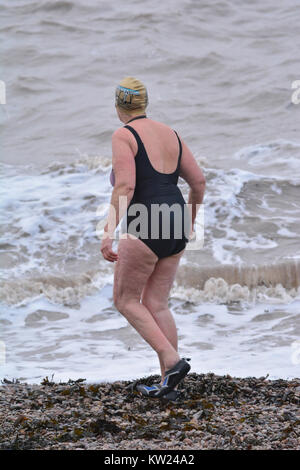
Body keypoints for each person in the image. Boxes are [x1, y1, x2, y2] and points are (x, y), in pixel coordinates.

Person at [100, 77, 205, 399]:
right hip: (176, 218)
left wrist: (107, 234)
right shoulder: (171, 133)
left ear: (119, 106)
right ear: (144, 103)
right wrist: (189, 220)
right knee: (157, 303)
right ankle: (168, 383)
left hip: (145, 220)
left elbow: (126, 187)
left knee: (126, 300)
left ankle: (172, 363)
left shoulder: (124, 135)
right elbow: (198, 182)